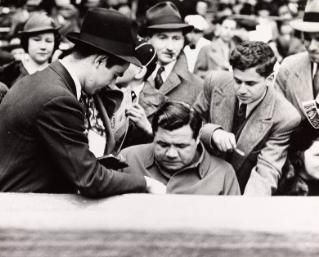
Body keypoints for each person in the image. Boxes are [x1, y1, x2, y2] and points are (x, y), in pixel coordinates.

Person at [0, 8, 165, 196]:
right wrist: (146, 183)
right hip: (22, 212)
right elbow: (89, 178)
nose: (114, 83)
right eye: (115, 75)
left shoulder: (46, 80)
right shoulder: (58, 99)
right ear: (99, 61)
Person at [194, 41, 301, 195]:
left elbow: (267, 170)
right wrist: (211, 133)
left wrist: (247, 208)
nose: (241, 90)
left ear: (270, 79)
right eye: (237, 81)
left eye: (250, 83)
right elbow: (189, 124)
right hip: (200, 181)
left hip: (243, 190)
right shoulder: (215, 81)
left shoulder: (286, 116)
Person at [120, 101, 241, 195]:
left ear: (198, 138)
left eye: (181, 146)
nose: (171, 154)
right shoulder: (127, 159)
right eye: (163, 144)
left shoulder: (223, 174)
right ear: (154, 134)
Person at [275, 0, 319, 195]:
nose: (312, 47)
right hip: (297, 177)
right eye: (307, 38)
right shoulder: (289, 67)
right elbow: (275, 125)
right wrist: (298, 160)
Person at [144, 1, 203, 106]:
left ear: (183, 41)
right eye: (162, 38)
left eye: (176, 38)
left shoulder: (197, 86)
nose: (170, 47)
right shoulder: (132, 77)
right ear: (148, 39)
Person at [0, 12, 60, 88]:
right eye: (37, 40)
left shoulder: (59, 75)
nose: (43, 46)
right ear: (26, 42)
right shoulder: (10, 71)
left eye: (48, 41)